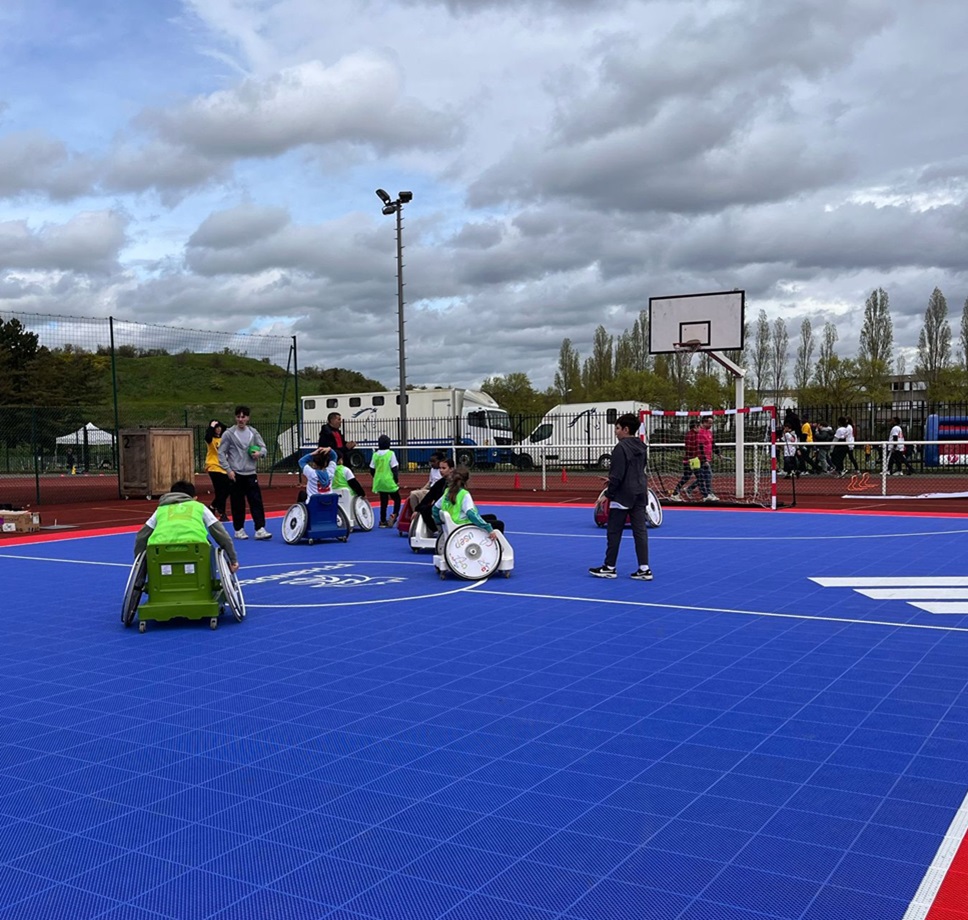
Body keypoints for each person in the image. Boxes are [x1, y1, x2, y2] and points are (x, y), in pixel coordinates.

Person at [589, 413, 652, 581]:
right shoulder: (642, 446)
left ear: (626, 429)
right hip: (640, 492)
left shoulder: (620, 448)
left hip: (623, 495)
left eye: (617, 428)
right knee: (640, 531)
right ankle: (644, 568)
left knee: (614, 531)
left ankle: (609, 567)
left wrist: (608, 494)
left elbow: (618, 475)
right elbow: (636, 470)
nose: (615, 432)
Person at [133, 479, 239, 573]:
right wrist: (233, 560)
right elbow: (220, 534)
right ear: (194, 498)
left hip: (160, 553)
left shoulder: (161, 510)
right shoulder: (199, 507)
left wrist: (138, 563)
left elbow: (142, 536)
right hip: (196, 551)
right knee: (209, 547)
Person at [218, 405, 272, 540]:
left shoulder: (253, 432)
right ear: (235, 417)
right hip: (236, 474)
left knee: (256, 501)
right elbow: (221, 453)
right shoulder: (229, 434)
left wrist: (259, 453)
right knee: (237, 503)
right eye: (238, 417)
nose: (241, 419)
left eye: (243, 417)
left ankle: (260, 528)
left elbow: (264, 447)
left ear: (248, 418)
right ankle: (239, 529)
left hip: (251, 473)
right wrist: (228, 470)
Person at [432, 465, 504, 535]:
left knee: (492, 517)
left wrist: (440, 524)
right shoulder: (464, 494)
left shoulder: (447, 492)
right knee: (499, 524)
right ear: (467, 480)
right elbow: (471, 514)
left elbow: (435, 509)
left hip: (450, 524)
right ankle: (495, 545)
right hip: (462, 526)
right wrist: (488, 528)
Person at [371, 434, 401, 527]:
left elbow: (372, 469)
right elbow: (394, 468)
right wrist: (396, 480)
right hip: (389, 481)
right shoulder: (390, 454)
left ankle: (382, 521)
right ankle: (394, 514)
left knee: (383, 501)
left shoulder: (375, 455)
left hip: (379, 482)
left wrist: (376, 477)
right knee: (397, 499)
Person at [667, 420, 701, 501]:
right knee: (689, 477)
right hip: (691, 460)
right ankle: (676, 493)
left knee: (699, 477)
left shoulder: (694, 434)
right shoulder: (691, 435)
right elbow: (689, 448)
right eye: (699, 426)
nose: (700, 428)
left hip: (693, 459)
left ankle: (685, 490)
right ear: (695, 426)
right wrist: (689, 459)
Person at [417, 455, 454, 530]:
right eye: (440, 468)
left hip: (451, 509)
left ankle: (436, 529)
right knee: (424, 508)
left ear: (451, 469)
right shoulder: (440, 483)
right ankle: (435, 530)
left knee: (427, 510)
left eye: (443, 468)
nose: (441, 470)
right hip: (440, 507)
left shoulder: (457, 483)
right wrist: (417, 509)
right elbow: (429, 496)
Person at [204, 420, 231, 521]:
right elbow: (207, 437)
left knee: (227, 489)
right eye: (216, 428)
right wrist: (211, 426)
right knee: (220, 490)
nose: (218, 429)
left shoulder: (224, 439)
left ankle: (212, 507)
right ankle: (222, 513)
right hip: (213, 466)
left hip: (224, 467)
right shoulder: (211, 439)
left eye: (219, 427)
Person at [696, 416, 719, 502]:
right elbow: (700, 447)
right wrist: (704, 459)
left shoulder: (709, 432)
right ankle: (707, 494)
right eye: (709, 423)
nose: (711, 425)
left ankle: (690, 489)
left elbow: (712, 443)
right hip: (701, 458)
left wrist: (718, 453)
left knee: (705, 477)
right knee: (707, 476)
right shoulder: (700, 432)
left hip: (708, 458)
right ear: (704, 422)